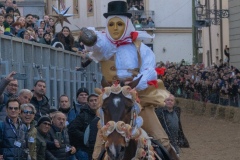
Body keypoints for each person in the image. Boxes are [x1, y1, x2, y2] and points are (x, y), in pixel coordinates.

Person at [79, 1, 178, 159]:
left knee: (163, 141)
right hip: (111, 104)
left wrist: (135, 83)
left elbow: (150, 71)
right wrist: (90, 39)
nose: (115, 28)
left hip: (139, 102)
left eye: (119, 24)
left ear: (126, 24)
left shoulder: (142, 49)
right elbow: (97, 46)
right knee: (98, 151)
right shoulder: (105, 46)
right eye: (111, 24)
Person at [68, 94, 99, 160]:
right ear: (88, 103)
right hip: (85, 150)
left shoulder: (104, 115)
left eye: (96, 100)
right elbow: (72, 129)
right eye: (91, 101)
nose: (94, 102)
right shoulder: (83, 115)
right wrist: (86, 137)